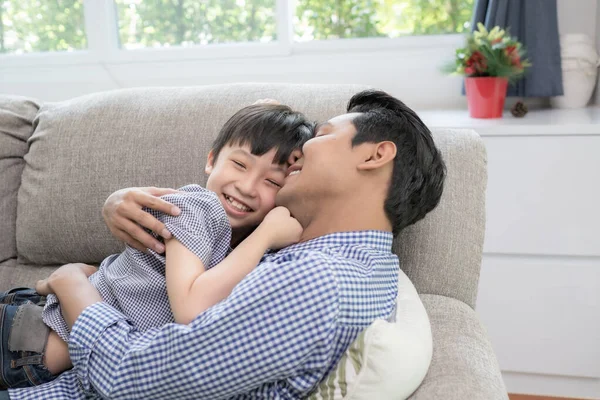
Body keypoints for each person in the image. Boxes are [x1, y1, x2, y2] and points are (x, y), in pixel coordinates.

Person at [5, 89, 446, 400]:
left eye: (324, 135)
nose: (304, 152)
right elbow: (254, 128)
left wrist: (71, 282)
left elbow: (126, 374)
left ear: (374, 155)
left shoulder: (317, 283)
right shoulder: (354, 261)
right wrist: (116, 203)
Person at [0, 103, 312, 390]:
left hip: (39, 351)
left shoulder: (248, 251)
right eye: (240, 165)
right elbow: (192, 310)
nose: (247, 187)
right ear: (212, 161)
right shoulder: (198, 207)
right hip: (26, 335)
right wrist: (266, 234)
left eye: (272, 182)